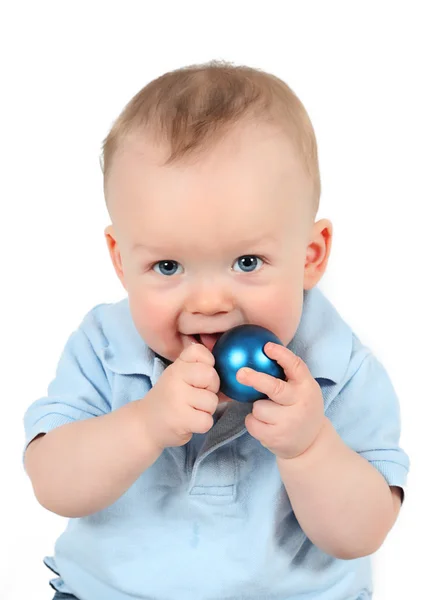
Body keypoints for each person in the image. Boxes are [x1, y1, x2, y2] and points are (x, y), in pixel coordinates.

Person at [23, 61, 410, 600]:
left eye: (247, 262)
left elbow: (361, 534)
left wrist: (310, 447)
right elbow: (52, 483)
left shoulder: (339, 368)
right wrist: (145, 423)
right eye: (168, 268)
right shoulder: (105, 347)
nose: (208, 303)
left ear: (310, 255)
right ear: (121, 260)